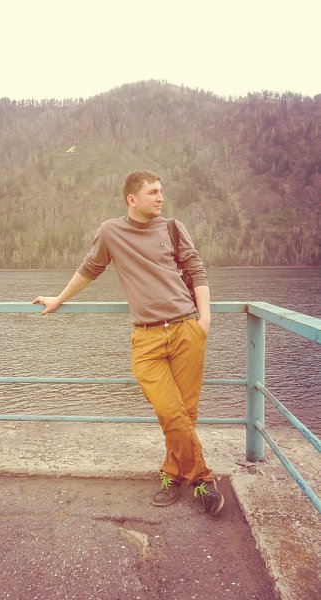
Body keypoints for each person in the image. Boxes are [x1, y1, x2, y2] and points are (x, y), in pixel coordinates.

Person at [33, 169, 224, 516]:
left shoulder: (173, 228)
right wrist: (58, 299)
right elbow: (90, 269)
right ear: (131, 199)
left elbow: (197, 271)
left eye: (161, 191)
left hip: (186, 330)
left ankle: (172, 475)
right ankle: (201, 478)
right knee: (169, 411)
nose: (160, 197)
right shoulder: (111, 232)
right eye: (153, 192)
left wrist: (205, 321)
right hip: (146, 339)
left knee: (185, 413)